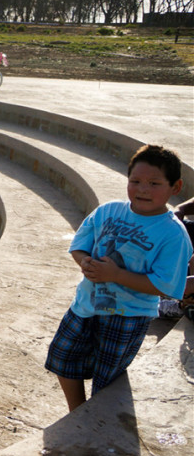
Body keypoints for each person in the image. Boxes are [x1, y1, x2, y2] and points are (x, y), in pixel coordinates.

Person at [45, 144, 193, 411]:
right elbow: (79, 245)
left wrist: (115, 275)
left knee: (107, 378)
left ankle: (95, 418)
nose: (142, 189)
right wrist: (85, 262)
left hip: (128, 315)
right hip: (85, 305)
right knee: (63, 358)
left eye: (154, 183)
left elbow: (165, 286)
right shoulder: (108, 211)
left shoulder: (173, 234)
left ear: (176, 187)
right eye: (135, 181)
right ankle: (77, 412)